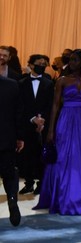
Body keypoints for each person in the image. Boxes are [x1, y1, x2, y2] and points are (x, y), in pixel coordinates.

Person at [33, 49, 81, 214]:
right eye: (71, 60)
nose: (73, 63)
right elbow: (55, 106)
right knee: (63, 158)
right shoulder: (62, 80)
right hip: (66, 120)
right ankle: (62, 198)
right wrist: (50, 130)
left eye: (76, 60)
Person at [17, 54, 54, 195]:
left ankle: (41, 183)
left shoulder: (49, 83)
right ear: (31, 65)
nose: (42, 66)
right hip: (27, 124)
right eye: (39, 63)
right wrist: (32, 118)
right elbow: (21, 105)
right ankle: (28, 182)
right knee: (27, 155)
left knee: (41, 154)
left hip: (43, 125)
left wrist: (42, 119)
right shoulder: (22, 83)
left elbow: (50, 104)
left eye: (44, 64)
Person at [0, 76, 24, 226]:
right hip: (6, 138)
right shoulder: (12, 85)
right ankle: (12, 199)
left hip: (7, 138)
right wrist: (20, 137)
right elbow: (19, 113)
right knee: (9, 174)